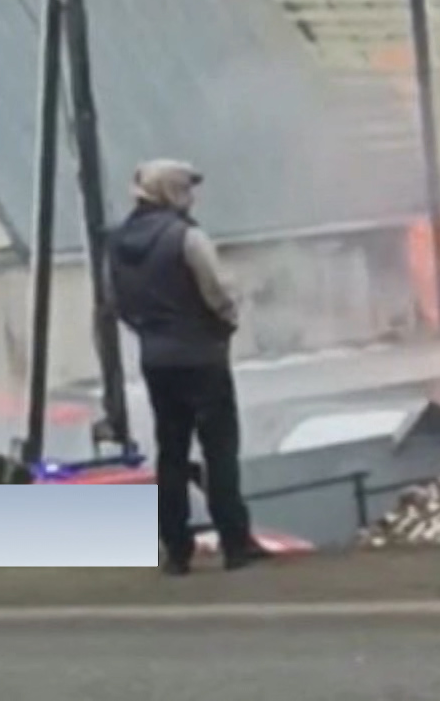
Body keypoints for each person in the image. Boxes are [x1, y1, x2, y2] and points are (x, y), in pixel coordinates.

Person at [107, 159, 267, 575]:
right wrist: (226, 322)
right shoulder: (187, 237)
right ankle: (235, 543)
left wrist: (149, 333)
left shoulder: (119, 242)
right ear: (171, 192)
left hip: (156, 360)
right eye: (186, 189)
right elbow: (215, 290)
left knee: (171, 453)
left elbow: (118, 301)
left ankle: (176, 550)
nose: (191, 198)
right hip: (202, 357)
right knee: (219, 450)